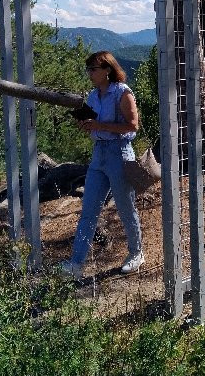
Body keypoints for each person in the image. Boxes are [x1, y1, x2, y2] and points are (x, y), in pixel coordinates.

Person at [61, 51, 144, 279]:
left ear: (107, 70)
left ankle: (136, 253)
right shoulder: (93, 96)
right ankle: (76, 264)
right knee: (88, 211)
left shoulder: (123, 93)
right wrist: (87, 125)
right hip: (99, 155)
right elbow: (96, 125)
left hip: (119, 153)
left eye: (93, 69)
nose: (89, 73)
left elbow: (133, 126)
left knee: (126, 208)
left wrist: (99, 125)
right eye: (88, 69)